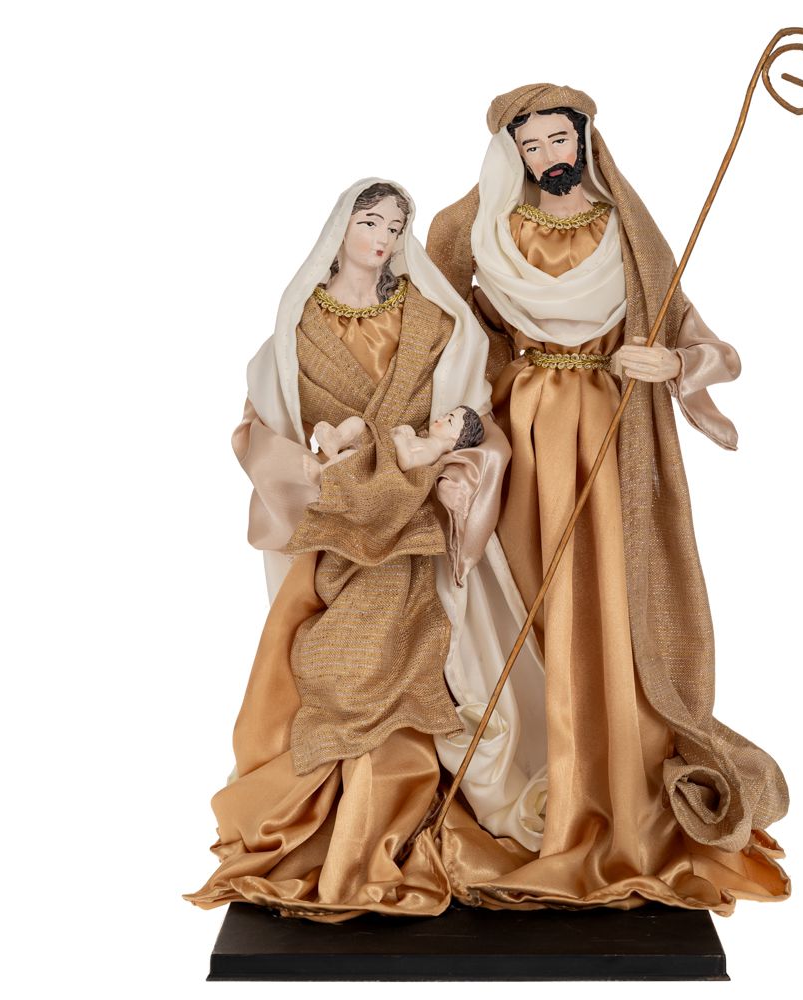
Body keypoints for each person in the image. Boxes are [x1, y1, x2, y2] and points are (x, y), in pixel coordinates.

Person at [425, 85, 790, 914]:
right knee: (526, 596)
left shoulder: (627, 228)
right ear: (512, 154)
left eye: (560, 139)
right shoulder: (482, 227)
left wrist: (670, 363)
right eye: (532, 145)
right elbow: (437, 323)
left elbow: (706, 341)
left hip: (610, 436)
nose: (548, 156)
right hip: (519, 438)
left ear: (585, 141)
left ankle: (611, 779)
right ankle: (531, 772)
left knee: (605, 603)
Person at [185, 178, 546, 922]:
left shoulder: (432, 317)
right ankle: (335, 827)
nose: (382, 237)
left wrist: (444, 462)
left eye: (396, 225)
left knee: (414, 671)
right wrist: (320, 468)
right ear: (340, 228)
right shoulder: (298, 328)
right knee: (332, 667)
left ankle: (396, 824)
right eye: (370, 221)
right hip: (336, 529)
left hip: (415, 528)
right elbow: (263, 427)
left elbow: (472, 415)